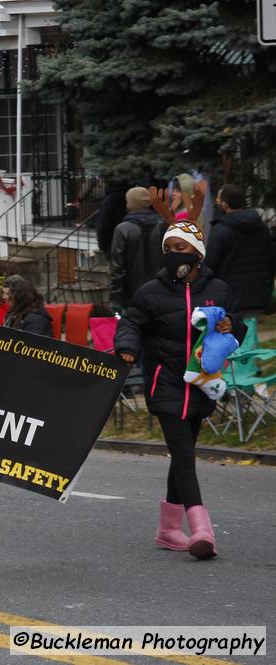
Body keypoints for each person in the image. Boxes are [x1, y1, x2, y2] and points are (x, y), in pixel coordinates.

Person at [114, 222, 246, 560]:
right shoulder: (150, 292)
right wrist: (127, 346)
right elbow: (131, 321)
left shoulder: (218, 288)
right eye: (169, 249)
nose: (175, 255)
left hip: (201, 384)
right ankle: (202, 529)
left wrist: (232, 324)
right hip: (165, 384)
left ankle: (168, 530)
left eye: (181, 248)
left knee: (182, 455)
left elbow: (237, 326)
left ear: (197, 253)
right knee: (185, 456)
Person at [204, 185, 274, 313]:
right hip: (259, 291)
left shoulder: (220, 229)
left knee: (238, 331)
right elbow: (270, 259)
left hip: (230, 294)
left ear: (224, 205)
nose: (217, 202)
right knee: (250, 330)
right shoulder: (261, 226)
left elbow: (210, 265)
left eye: (218, 199)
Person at [109, 187, 166, 313]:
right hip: (159, 291)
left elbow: (117, 268)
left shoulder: (123, 229)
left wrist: (115, 298)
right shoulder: (162, 225)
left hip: (132, 294)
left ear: (130, 204)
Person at [95, 182, 131, 255]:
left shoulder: (109, 200)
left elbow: (103, 225)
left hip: (114, 245)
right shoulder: (129, 196)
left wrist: (103, 246)